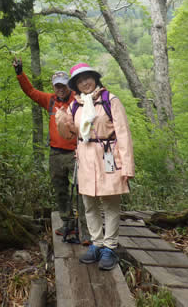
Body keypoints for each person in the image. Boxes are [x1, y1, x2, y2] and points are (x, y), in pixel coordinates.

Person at [56, 62, 135, 271]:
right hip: (85, 158)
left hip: (108, 156)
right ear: (76, 85)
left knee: (110, 204)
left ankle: (110, 246)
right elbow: (71, 134)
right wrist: (63, 121)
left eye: (88, 77)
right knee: (89, 204)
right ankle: (96, 243)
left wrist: (127, 166)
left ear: (95, 78)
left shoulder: (111, 100)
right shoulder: (76, 105)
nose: (85, 83)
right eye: (80, 80)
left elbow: (124, 134)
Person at [12, 57, 90, 244]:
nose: (60, 89)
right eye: (57, 86)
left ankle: (86, 229)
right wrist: (20, 73)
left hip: (76, 153)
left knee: (82, 190)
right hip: (55, 153)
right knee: (60, 190)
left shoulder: (78, 101)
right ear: (53, 87)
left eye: (63, 85)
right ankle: (67, 223)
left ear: (69, 86)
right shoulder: (50, 101)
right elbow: (30, 92)